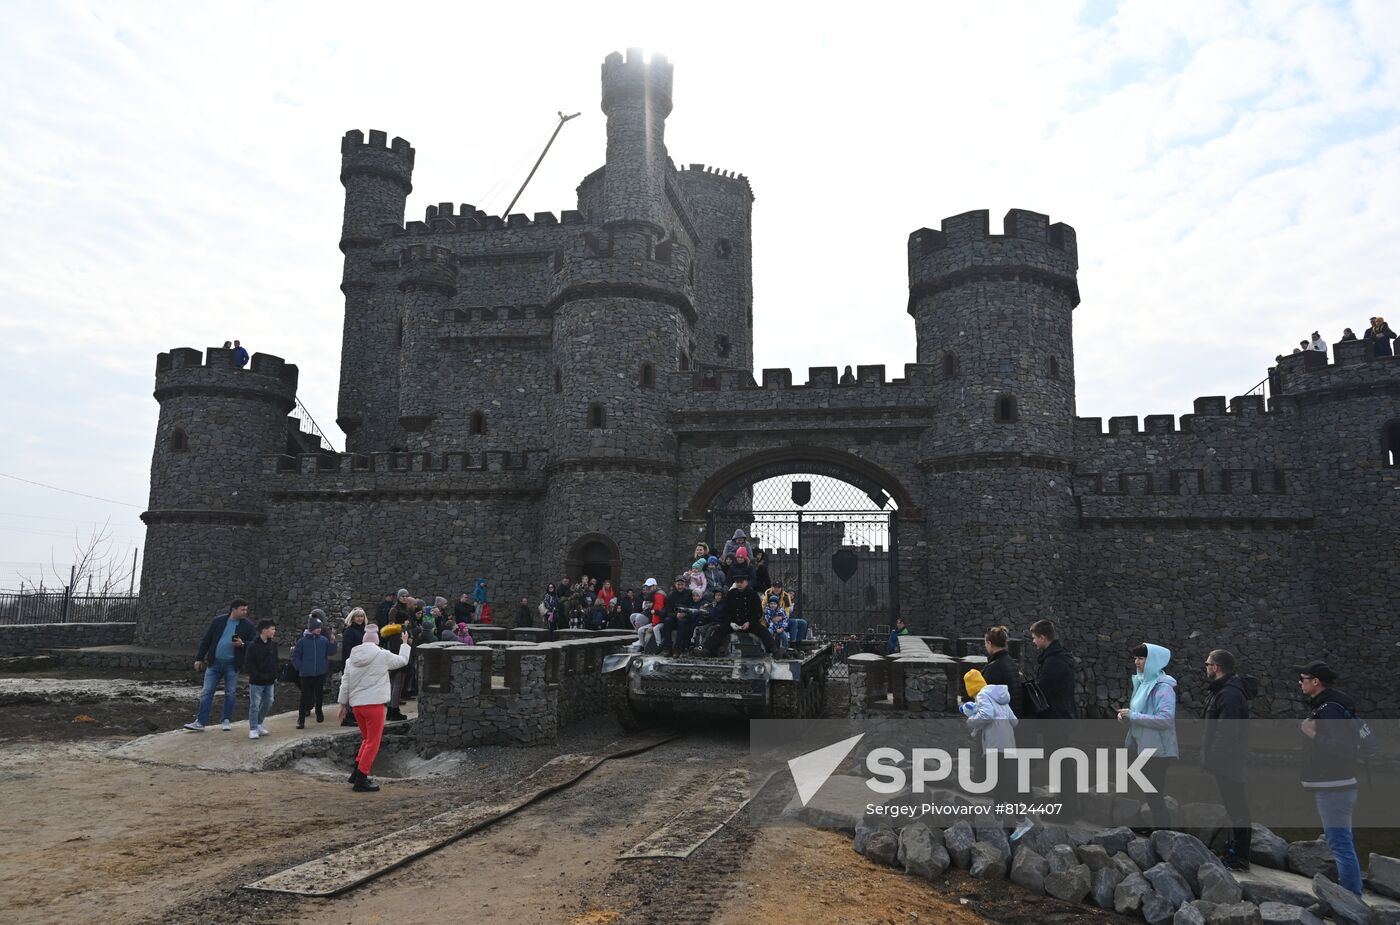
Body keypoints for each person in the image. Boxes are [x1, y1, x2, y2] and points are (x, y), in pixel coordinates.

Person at [1298, 660, 1363, 896]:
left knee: (1340, 844)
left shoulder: (1330, 708)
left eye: (1303, 678)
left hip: (1335, 786)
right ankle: (1350, 893)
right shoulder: (1332, 704)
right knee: (1341, 841)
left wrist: (1312, 734)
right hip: (1338, 784)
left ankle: (1351, 899)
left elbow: (1342, 747)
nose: (1300, 683)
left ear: (1316, 682)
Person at [338, 624, 412, 792]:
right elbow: (403, 661)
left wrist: (342, 704)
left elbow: (345, 683)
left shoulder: (351, 660)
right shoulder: (382, 655)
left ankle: (356, 773)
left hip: (357, 706)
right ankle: (362, 779)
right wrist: (405, 644)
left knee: (366, 739)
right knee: (373, 742)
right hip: (374, 705)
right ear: (376, 641)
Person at [1202, 648, 1254, 870]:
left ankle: (1239, 856)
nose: (1205, 667)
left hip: (1228, 762)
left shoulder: (1229, 693)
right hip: (1227, 761)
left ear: (1216, 667)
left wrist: (1213, 759)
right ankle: (1234, 850)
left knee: (1237, 807)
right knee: (1234, 806)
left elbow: (1226, 732)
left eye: (1207, 664)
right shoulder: (1224, 690)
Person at [1117, 643, 1178, 829]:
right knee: (1149, 790)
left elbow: (1165, 719)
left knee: (1155, 793)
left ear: (1153, 661)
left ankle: (1163, 833)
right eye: (1135, 658)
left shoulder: (1163, 687)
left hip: (1158, 750)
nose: (1136, 662)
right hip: (1142, 746)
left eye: (1141, 658)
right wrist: (1126, 717)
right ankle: (1155, 828)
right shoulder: (1143, 682)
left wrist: (1133, 715)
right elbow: (1138, 713)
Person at [184, 598, 256, 731]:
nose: (245, 612)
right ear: (234, 609)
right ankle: (200, 722)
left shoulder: (248, 625)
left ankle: (226, 720)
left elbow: (255, 643)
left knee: (230, 693)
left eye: (246, 609)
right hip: (214, 664)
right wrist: (199, 658)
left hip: (232, 665)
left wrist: (243, 644)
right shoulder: (218, 621)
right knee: (207, 692)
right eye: (242, 609)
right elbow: (207, 640)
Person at [959, 668, 1020, 825]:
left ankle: (1020, 818)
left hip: (994, 743)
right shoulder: (1000, 698)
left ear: (972, 688)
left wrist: (971, 721)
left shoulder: (981, 695)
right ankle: (999, 814)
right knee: (1003, 777)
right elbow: (1015, 721)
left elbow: (987, 715)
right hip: (1008, 743)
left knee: (1001, 780)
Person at [703, 574, 773, 656]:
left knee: (763, 631)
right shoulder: (730, 594)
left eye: (741, 582)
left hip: (749, 623)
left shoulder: (753, 594)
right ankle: (709, 650)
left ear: (746, 582)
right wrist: (730, 622)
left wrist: (749, 622)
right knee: (718, 631)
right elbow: (726, 611)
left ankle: (773, 650)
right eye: (737, 582)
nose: (739, 584)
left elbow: (758, 612)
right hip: (734, 623)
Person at [292, 612, 338, 728]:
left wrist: (333, 641)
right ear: (311, 628)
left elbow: (331, 652)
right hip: (306, 673)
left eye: (320, 628)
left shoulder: (323, 640)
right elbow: (295, 656)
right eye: (317, 628)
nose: (319, 630)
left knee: (319, 694)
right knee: (304, 696)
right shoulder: (302, 641)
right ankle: (301, 719)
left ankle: (319, 711)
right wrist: (300, 666)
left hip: (320, 672)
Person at [243, 619, 279, 740]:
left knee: (269, 701)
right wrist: (257, 675)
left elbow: (275, 661)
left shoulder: (273, 645)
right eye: (272, 629)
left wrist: (274, 675)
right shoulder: (253, 646)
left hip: (269, 680)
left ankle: (259, 723)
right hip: (256, 681)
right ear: (264, 630)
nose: (274, 631)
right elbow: (249, 664)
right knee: (255, 704)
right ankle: (253, 728)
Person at [981, 625, 1022, 716]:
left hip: (1002, 717)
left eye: (985, 644)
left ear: (989, 643)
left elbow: (985, 695)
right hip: (1014, 713)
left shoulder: (995, 666)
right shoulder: (1010, 661)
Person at [340, 608, 369, 726]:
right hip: (352, 665)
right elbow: (347, 651)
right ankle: (347, 716)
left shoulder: (364, 631)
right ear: (353, 618)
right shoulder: (349, 632)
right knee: (350, 691)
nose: (360, 619)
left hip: (362, 665)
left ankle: (355, 714)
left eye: (362, 616)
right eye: (358, 616)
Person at [379, 621, 409, 721]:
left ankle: (390, 711)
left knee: (392, 688)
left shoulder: (390, 638)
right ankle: (394, 711)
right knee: (397, 688)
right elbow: (400, 654)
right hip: (399, 666)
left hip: (390, 666)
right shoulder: (399, 639)